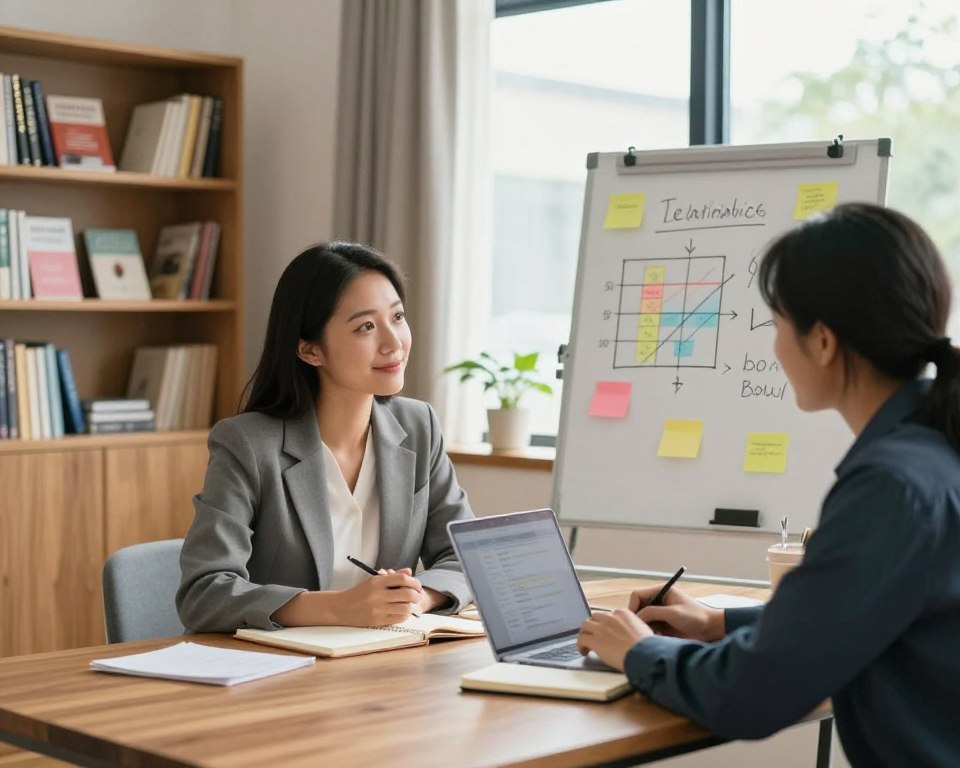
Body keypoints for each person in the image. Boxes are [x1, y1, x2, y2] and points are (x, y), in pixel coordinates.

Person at [577, 203, 960, 767]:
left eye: (778, 325)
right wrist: (718, 623)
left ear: (823, 342)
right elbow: (874, 614)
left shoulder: (890, 486)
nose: (775, 347)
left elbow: (751, 694)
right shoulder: (932, 450)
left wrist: (640, 651)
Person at [177, 242, 474, 633]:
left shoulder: (419, 426)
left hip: (382, 661)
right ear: (310, 349)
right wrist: (337, 608)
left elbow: (466, 556)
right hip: (278, 674)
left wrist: (418, 597)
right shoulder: (246, 444)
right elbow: (204, 594)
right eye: (366, 326)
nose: (393, 342)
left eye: (397, 317)